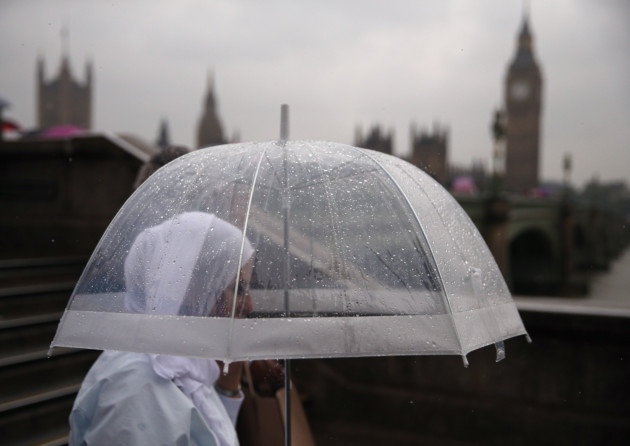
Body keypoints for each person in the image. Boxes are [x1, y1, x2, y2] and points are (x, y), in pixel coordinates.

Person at [68, 212, 282, 445]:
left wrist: (228, 385)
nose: (249, 305)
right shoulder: (139, 387)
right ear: (190, 290)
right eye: (238, 288)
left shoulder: (185, 364)